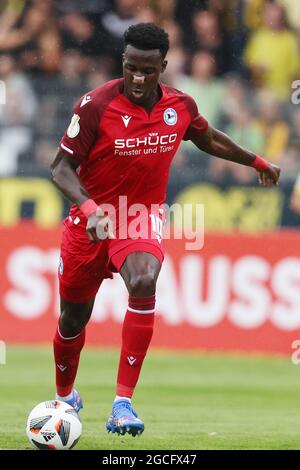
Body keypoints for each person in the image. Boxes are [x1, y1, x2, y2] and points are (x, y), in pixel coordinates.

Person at [50, 22, 280, 437]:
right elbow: (60, 168)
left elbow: (208, 138)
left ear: (164, 66)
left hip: (139, 216)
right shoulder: (94, 105)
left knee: (144, 278)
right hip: (90, 222)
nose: (137, 78)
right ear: (123, 61)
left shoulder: (180, 106)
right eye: (130, 67)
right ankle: (65, 397)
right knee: (72, 321)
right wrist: (89, 207)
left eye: (147, 69)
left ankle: (123, 404)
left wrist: (258, 162)